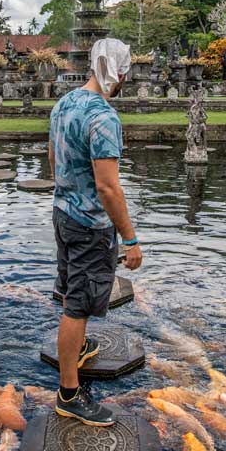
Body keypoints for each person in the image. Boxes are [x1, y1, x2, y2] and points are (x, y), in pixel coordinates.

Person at [48, 38, 142, 426]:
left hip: (62, 213)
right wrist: (131, 240)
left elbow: (53, 158)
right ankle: (69, 393)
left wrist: (68, 193)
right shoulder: (104, 116)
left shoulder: (63, 103)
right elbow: (108, 187)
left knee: (72, 289)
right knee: (79, 305)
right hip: (90, 225)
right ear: (120, 72)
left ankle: (80, 346)